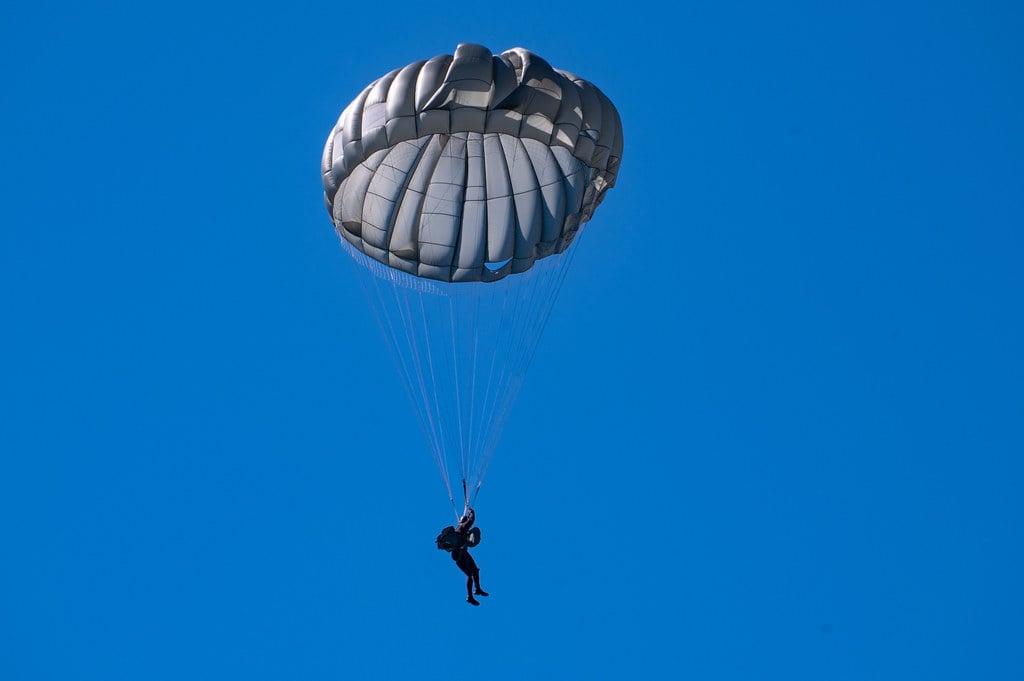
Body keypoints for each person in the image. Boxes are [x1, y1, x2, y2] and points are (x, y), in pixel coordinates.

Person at [438, 506, 488, 605]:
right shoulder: (463, 527)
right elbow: (471, 520)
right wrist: (471, 512)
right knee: (475, 570)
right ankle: (477, 589)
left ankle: (470, 596)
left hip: (456, 556)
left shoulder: (458, 529)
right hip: (461, 552)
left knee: (470, 574)